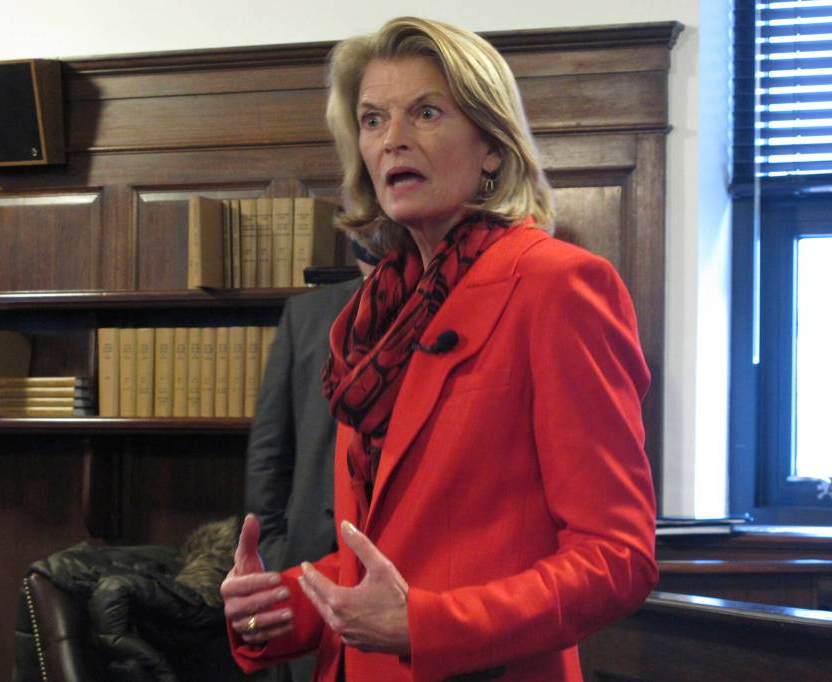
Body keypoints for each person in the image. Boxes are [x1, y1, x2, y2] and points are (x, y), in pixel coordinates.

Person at [222, 16, 657, 681]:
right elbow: (386, 556)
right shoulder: (374, 318)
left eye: (425, 113)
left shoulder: (558, 286)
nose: (393, 139)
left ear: (491, 145)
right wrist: (277, 606)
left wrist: (427, 625)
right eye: (372, 120)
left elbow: (616, 557)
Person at [245, 243, 378, 682]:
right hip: (307, 566)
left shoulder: (442, 308)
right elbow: (269, 452)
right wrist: (279, 557)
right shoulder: (306, 316)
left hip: (404, 577)